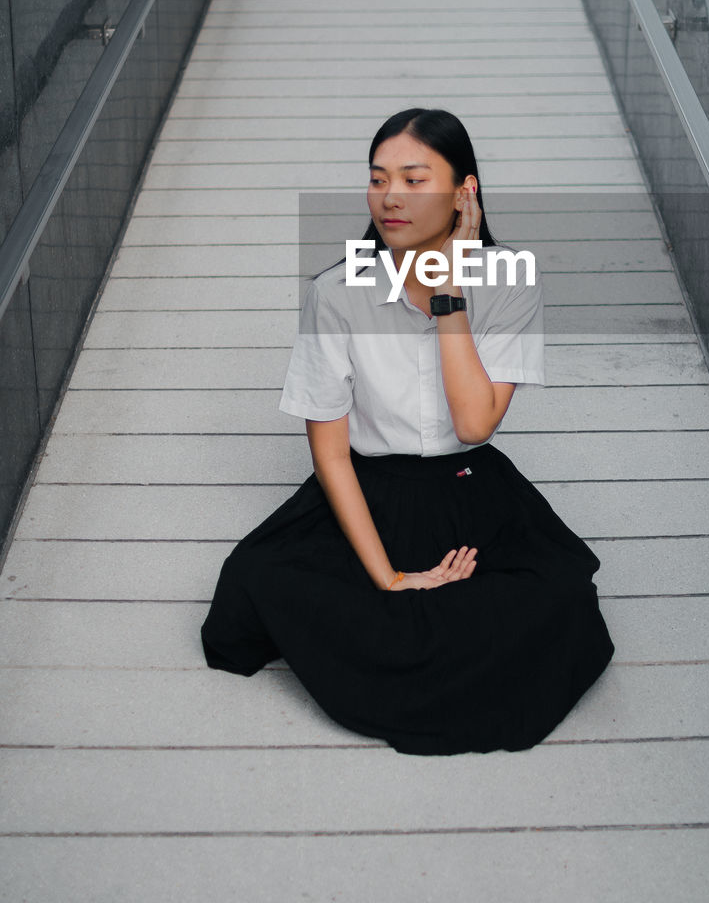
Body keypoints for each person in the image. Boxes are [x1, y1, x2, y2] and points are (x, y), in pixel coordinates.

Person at [200, 107, 614, 755]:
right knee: (259, 576)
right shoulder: (337, 294)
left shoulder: (508, 283)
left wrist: (449, 297)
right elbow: (331, 455)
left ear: (463, 191)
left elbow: (475, 424)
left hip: (469, 484)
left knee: (552, 597)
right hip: (368, 487)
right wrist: (390, 577)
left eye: (414, 178)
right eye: (378, 177)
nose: (390, 195)